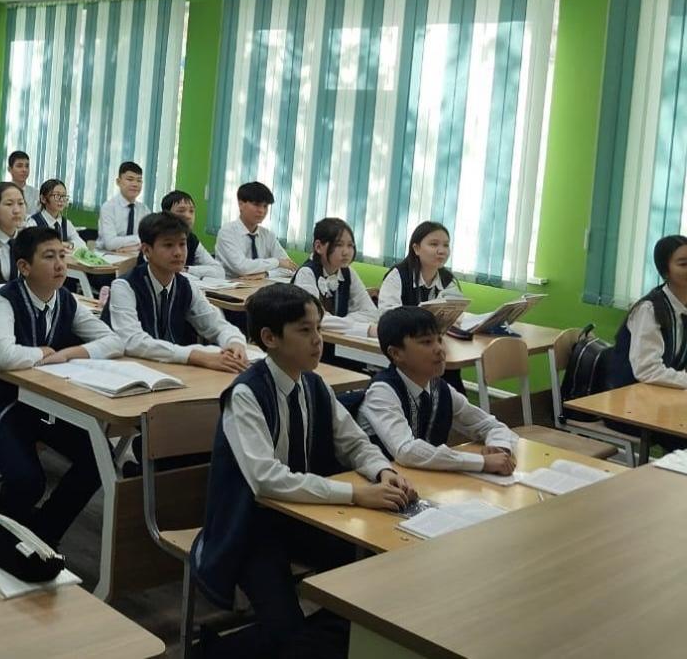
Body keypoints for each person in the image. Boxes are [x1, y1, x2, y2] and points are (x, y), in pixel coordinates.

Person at [191, 284, 415, 656]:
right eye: (304, 330)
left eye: (319, 329)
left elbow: (354, 442)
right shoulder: (246, 394)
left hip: (305, 517)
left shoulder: (314, 384)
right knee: (289, 635)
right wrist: (356, 494)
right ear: (270, 338)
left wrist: (381, 471)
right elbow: (266, 481)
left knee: (374, 591)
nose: (317, 340)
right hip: (249, 527)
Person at [0, 227, 125, 546]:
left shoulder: (65, 299)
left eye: (62, 255)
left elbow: (114, 341)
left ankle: (42, 535)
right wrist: (43, 353)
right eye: (49, 257)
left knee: (98, 458)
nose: (60, 264)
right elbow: (5, 355)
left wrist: (70, 353)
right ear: (24, 267)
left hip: (40, 403)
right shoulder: (4, 300)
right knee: (27, 479)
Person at [358, 307, 517, 472]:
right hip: (381, 482)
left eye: (439, 340)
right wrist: (481, 462)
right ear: (396, 353)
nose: (440, 349)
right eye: (426, 342)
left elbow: (491, 425)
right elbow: (406, 451)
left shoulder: (440, 388)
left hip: (424, 477)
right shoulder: (382, 392)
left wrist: (499, 447)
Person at [103, 212, 247, 372]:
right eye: (168, 245)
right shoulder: (124, 286)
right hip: (124, 370)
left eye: (182, 244)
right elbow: (133, 341)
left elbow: (216, 324)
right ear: (147, 250)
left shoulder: (186, 285)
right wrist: (195, 356)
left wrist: (234, 342)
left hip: (169, 369)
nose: (178, 252)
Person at [293, 217, 379, 364]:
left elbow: (371, 312)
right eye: (338, 245)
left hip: (337, 345)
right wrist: (365, 329)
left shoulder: (348, 272)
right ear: (318, 246)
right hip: (306, 349)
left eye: (350, 245)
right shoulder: (307, 273)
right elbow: (315, 320)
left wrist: (339, 322)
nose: (346, 252)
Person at [610, 234, 687, 390]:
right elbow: (647, 370)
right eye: (684, 264)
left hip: (663, 394)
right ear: (665, 272)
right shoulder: (649, 310)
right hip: (628, 395)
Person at [214, 182, 297, 279]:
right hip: (229, 285)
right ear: (241, 204)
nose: (261, 211)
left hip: (260, 285)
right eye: (256, 205)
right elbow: (242, 267)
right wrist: (277, 262)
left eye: (265, 206)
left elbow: (290, 268)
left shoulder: (268, 235)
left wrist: (265, 274)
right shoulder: (227, 232)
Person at [377, 221, 464, 311]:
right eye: (434, 244)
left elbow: (457, 311)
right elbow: (387, 313)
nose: (442, 251)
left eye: (446, 245)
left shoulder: (447, 280)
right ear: (416, 249)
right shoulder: (398, 275)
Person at [159, 190, 225, 280]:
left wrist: (186, 269)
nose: (188, 216)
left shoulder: (191, 239)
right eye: (181, 211)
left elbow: (219, 272)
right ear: (166, 215)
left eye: (191, 211)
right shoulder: (157, 238)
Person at [96, 161, 147, 253]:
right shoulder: (108, 208)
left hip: (134, 255)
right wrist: (139, 239)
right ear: (118, 182)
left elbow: (150, 238)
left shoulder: (144, 210)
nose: (135, 184)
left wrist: (128, 247)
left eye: (139, 180)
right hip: (107, 257)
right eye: (130, 179)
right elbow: (110, 244)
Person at [29, 179, 84, 251]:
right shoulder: (33, 222)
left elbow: (82, 245)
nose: (61, 200)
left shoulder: (66, 223)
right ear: (43, 199)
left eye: (64, 196)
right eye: (57, 195)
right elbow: (30, 246)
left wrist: (69, 244)